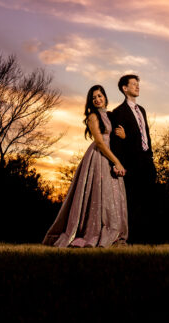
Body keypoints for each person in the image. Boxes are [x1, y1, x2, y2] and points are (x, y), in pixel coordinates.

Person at [43, 85, 128, 248]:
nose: (97, 99)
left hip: (109, 154)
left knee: (113, 195)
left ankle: (115, 234)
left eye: (100, 96)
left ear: (105, 97)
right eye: (94, 97)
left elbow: (115, 138)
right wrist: (116, 161)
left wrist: (123, 136)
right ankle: (90, 231)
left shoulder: (109, 116)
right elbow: (100, 143)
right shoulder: (92, 117)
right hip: (99, 156)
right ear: (90, 101)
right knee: (97, 193)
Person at [108, 73, 156, 241]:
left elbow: (145, 135)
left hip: (147, 160)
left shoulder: (141, 110)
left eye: (138, 84)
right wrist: (119, 165)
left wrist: (150, 155)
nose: (137, 86)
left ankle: (150, 238)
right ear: (125, 88)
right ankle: (133, 238)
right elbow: (118, 143)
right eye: (134, 84)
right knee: (133, 202)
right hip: (132, 163)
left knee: (150, 199)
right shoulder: (119, 112)